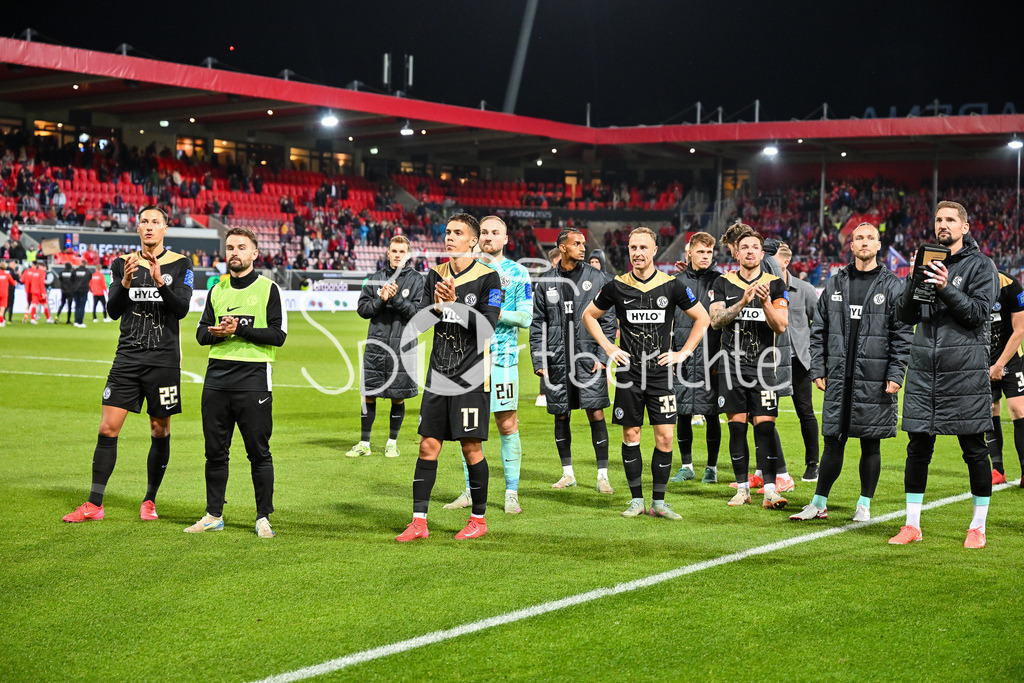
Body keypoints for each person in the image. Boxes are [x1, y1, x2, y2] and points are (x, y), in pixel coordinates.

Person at [62, 206, 194, 523]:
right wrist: (123, 282)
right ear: (138, 228)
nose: (149, 227)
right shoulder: (123, 263)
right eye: (144, 222)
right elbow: (112, 310)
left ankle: (149, 500)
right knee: (107, 428)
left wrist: (161, 282)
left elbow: (182, 310)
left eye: (155, 222)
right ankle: (94, 504)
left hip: (163, 360)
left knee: (159, 429)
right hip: (127, 358)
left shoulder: (180, 265)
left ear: (165, 228)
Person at [889, 201, 998, 548]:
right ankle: (912, 525)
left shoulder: (982, 265)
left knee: (974, 450)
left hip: (964, 371)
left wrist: (945, 287)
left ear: (965, 227)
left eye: (951, 219)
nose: (943, 225)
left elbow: (977, 315)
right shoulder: (926, 262)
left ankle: (977, 527)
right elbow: (905, 315)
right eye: (938, 219)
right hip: (924, 371)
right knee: (917, 448)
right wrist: (913, 283)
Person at [582, 227, 710, 519]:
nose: (637, 253)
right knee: (631, 433)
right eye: (633, 248)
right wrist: (608, 347)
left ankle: (660, 502)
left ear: (655, 250)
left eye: (643, 248)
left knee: (665, 436)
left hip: (661, 374)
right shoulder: (616, 286)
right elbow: (589, 315)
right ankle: (637, 500)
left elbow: (702, 318)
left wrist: (683, 353)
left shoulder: (671, 285)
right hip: (629, 374)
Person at [790, 223, 911, 522]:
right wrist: (818, 367)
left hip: (875, 377)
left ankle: (864, 504)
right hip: (839, 378)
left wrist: (896, 374)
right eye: (859, 238)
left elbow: (903, 335)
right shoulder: (834, 284)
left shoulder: (894, 286)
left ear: (879, 245)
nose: (864, 242)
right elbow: (818, 331)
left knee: (870, 442)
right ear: (851, 245)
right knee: (833, 439)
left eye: (870, 237)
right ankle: (818, 503)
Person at [395, 213, 502, 542]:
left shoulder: (489, 278)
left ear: (473, 241)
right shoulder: (435, 275)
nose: (450, 237)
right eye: (447, 232)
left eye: (458, 232)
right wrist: (437, 308)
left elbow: (488, 326)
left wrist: (454, 306)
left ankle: (479, 520)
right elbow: (419, 324)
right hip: (439, 374)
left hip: (471, 376)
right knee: (428, 445)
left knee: (471, 447)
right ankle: (419, 522)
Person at [184, 227, 286, 538]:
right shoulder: (217, 290)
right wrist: (215, 331)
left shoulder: (269, 290)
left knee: (258, 452)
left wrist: (237, 330)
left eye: (242, 247)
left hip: (253, 379)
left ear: (255, 254)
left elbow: (277, 335)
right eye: (230, 247)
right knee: (215, 451)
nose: (234, 252)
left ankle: (262, 517)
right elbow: (201, 334)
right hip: (216, 379)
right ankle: (214, 514)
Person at [445, 216, 533, 513]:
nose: (488, 237)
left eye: (495, 233)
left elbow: (526, 317)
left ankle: (511, 492)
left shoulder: (518, 273)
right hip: (467, 359)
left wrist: (490, 313)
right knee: (467, 427)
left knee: (507, 424)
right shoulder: (465, 270)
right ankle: (470, 491)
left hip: (503, 359)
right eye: (483, 232)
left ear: (505, 238)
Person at [530, 228, 617, 493]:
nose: (583, 247)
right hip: (558, 360)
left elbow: (608, 321)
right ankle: (568, 474)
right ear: (563, 248)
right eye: (577, 244)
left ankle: (603, 476)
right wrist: (539, 360)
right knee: (561, 415)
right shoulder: (545, 282)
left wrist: (603, 356)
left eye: (583, 243)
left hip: (589, 359)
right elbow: (538, 325)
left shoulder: (598, 278)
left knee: (596, 412)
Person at [709, 230, 791, 510]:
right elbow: (716, 321)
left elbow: (780, 325)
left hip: (764, 367)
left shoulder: (776, 284)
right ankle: (742, 488)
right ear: (736, 252)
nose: (750, 252)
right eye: (744, 247)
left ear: (761, 253)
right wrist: (742, 301)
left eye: (755, 247)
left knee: (765, 429)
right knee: (736, 429)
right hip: (731, 367)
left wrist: (765, 301)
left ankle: (770, 490)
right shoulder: (724, 283)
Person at [346, 235, 424, 459]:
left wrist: (396, 298)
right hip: (376, 347)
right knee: (368, 395)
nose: (397, 255)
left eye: (402, 251)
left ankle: (392, 442)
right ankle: (364, 443)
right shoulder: (374, 278)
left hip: (403, 348)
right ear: (387, 253)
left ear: (407, 255)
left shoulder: (417, 280)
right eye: (394, 251)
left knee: (397, 396)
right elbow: (363, 310)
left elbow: (418, 315)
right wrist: (381, 299)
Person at [669, 232, 724, 484]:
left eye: (709, 252)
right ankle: (687, 465)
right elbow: (668, 321)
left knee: (712, 412)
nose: (705, 256)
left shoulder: (721, 281)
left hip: (710, 359)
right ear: (688, 251)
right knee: (682, 412)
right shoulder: (676, 281)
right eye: (701, 251)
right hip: (682, 356)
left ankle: (711, 468)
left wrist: (720, 359)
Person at [774, 243, 821, 481]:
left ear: (782, 262)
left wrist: (811, 354)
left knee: (806, 413)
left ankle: (813, 464)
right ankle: (768, 467)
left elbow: (820, 324)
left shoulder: (804, 289)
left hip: (798, 363)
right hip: (770, 364)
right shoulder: (764, 289)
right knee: (765, 416)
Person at [986, 269, 1024, 485]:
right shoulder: (973, 284)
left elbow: (1020, 331)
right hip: (983, 359)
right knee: (990, 409)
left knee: (1019, 410)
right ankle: (997, 470)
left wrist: (1000, 364)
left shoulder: (1011, 286)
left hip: (1010, 357)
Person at [22, 259, 52, 324]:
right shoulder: (41, 273)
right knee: (44, 304)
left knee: (32, 304)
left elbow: (23, 280)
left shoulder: (31, 272)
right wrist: (43, 292)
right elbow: (41, 283)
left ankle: (31, 318)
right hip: (39, 291)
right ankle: (48, 319)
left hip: (32, 290)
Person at [71, 260, 91, 328]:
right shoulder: (87, 271)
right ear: (86, 265)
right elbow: (89, 279)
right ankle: (80, 322)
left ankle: (76, 321)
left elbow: (72, 279)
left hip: (76, 290)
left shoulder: (75, 271)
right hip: (84, 290)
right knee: (82, 306)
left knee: (77, 306)